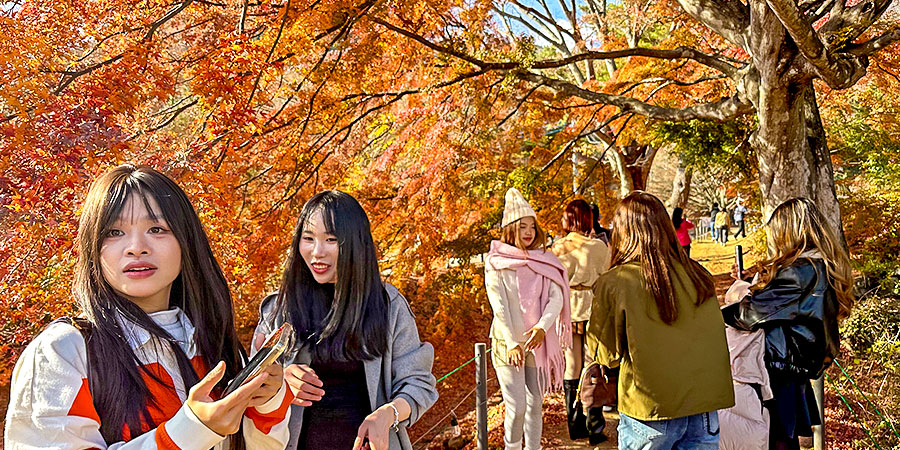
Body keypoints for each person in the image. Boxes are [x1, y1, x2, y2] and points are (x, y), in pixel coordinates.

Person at [5, 165, 291, 449]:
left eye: (156, 229)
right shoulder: (63, 351)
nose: (136, 247)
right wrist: (190, 431)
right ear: (92, 247)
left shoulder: (213, 342)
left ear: (186, 242)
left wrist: (268, 402)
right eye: (114, 232)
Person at [254, 190, 438, 450]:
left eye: (331, 239)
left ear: (355, 243)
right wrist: (280, 382)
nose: (317, 252)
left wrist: (388, 414)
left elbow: (418, 383)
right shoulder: (279, 308)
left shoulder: (387, 305)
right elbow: (249, 388)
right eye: (308, 238)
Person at [587, 191, 734, 449]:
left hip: (651, 406)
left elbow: (605, 353)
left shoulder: (617, 281)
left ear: (622, 233)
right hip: (704, 404)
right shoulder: (697, 274)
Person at [722, 198, 853, 450]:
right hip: (792, 371)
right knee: (782, 440)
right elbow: (781, 305)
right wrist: (755, 280)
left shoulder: (800, 271)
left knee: (775, 440)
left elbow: (750, 315)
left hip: (779, 372)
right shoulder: (820, 266)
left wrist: (718, 312)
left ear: (789, 232)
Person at [486, 187, 572, 450]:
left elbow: (556, 298)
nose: (529, 232)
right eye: (522, 226)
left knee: (535, 404)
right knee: (517, 406)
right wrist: (512, 342)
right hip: (507, 343)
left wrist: (542, 327)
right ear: (511, 228)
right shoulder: (496, 261)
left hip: (536, 341)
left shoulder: (544, 260)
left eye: (532, 226)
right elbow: (499, 305)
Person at [550, 199, 610, 443]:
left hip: (567, 309)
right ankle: (595, 425)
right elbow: (607, 277)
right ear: (587, 219)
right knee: (594, 363)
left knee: (572, 365)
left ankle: (574, 424)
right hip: (593, 308)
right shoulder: (598, 247)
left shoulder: (556, 248)